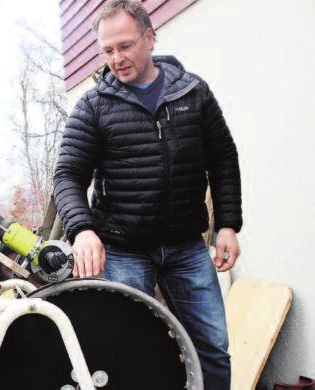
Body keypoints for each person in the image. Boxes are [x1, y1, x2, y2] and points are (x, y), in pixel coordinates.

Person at [53, 1, 242, 389]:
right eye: (107, 51)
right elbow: (68, 175)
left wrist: (227, 225)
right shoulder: (93, 106)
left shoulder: (194, 93)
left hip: (186, 248)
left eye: (124, 46)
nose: (116, 59)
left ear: (149, 37)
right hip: (123, 250)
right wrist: (83, 230)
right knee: (128, 349)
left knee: (212, 347)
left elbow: (223, 159)